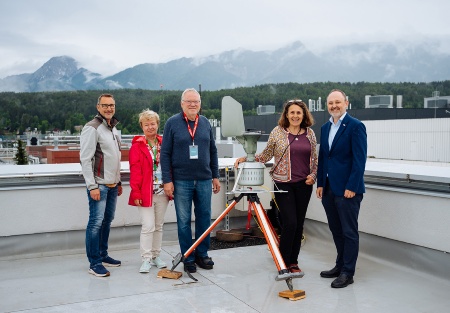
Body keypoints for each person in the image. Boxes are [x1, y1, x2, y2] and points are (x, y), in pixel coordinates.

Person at [235, 99, 318, 276]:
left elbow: (314, 160)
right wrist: (247, 158)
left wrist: (313, 175)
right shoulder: (277, 132)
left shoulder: (310, 134)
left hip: (304, 185)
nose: (295, 116)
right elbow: (266, 155)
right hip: (282, 184)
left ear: (303, 115)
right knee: (290, 222)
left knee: (299, 224)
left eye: (298, 113)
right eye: (292, 112)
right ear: (286, 115)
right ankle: (283, 260)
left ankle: (293, 261)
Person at [160, 88, 220, 273]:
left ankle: (202, 254)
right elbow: (165, 153)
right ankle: (188, 256)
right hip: (181, 180)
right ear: (182, 103)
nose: (193, 104)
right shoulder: (172, 123)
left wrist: (215, 175)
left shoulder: (205, 124)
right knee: (184, 221)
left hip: (203, 179)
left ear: (200, 104)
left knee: (204, 219)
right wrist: (167, 180)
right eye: (189, 101)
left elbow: (213, 151)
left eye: (196, 101)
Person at [316, 89, 367, 288]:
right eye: (330, 103)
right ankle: (339, 265)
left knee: (349, 232)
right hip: (329, 189)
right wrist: (321, 183)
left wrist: (352, 186)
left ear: (346, 103)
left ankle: (348, 272)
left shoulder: (355, 126)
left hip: (348, 190)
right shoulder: (325, 127)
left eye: (338, 102)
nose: (334, 106)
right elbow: (323, 158)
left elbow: (359, 159)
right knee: (336, 230)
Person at [80, 93, 123, 277]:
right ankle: (94, 262)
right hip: (100, 185)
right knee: (95, 223)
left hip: (112, 185)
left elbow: (115, 157)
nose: (109, 108)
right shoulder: (92, 128)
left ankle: (103, 255)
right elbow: (86, 159)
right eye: (105, 105)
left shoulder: (112, 128)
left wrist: (119, 181)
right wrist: (92, 186)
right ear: (98, 107)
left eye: (111, 105)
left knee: (107, 222)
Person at [128, 109, 172, 273]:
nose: (150, 127)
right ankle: (145, 258)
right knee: (148, 226)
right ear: (142, 126)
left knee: (159, 226)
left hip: (162, 191)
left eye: (153, 123)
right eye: (146, 124)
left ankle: (156, 256)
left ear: (157, 124)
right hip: (145, 191)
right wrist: (136, 193)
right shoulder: (137, 146)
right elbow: (135, 171)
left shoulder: (164, 143)